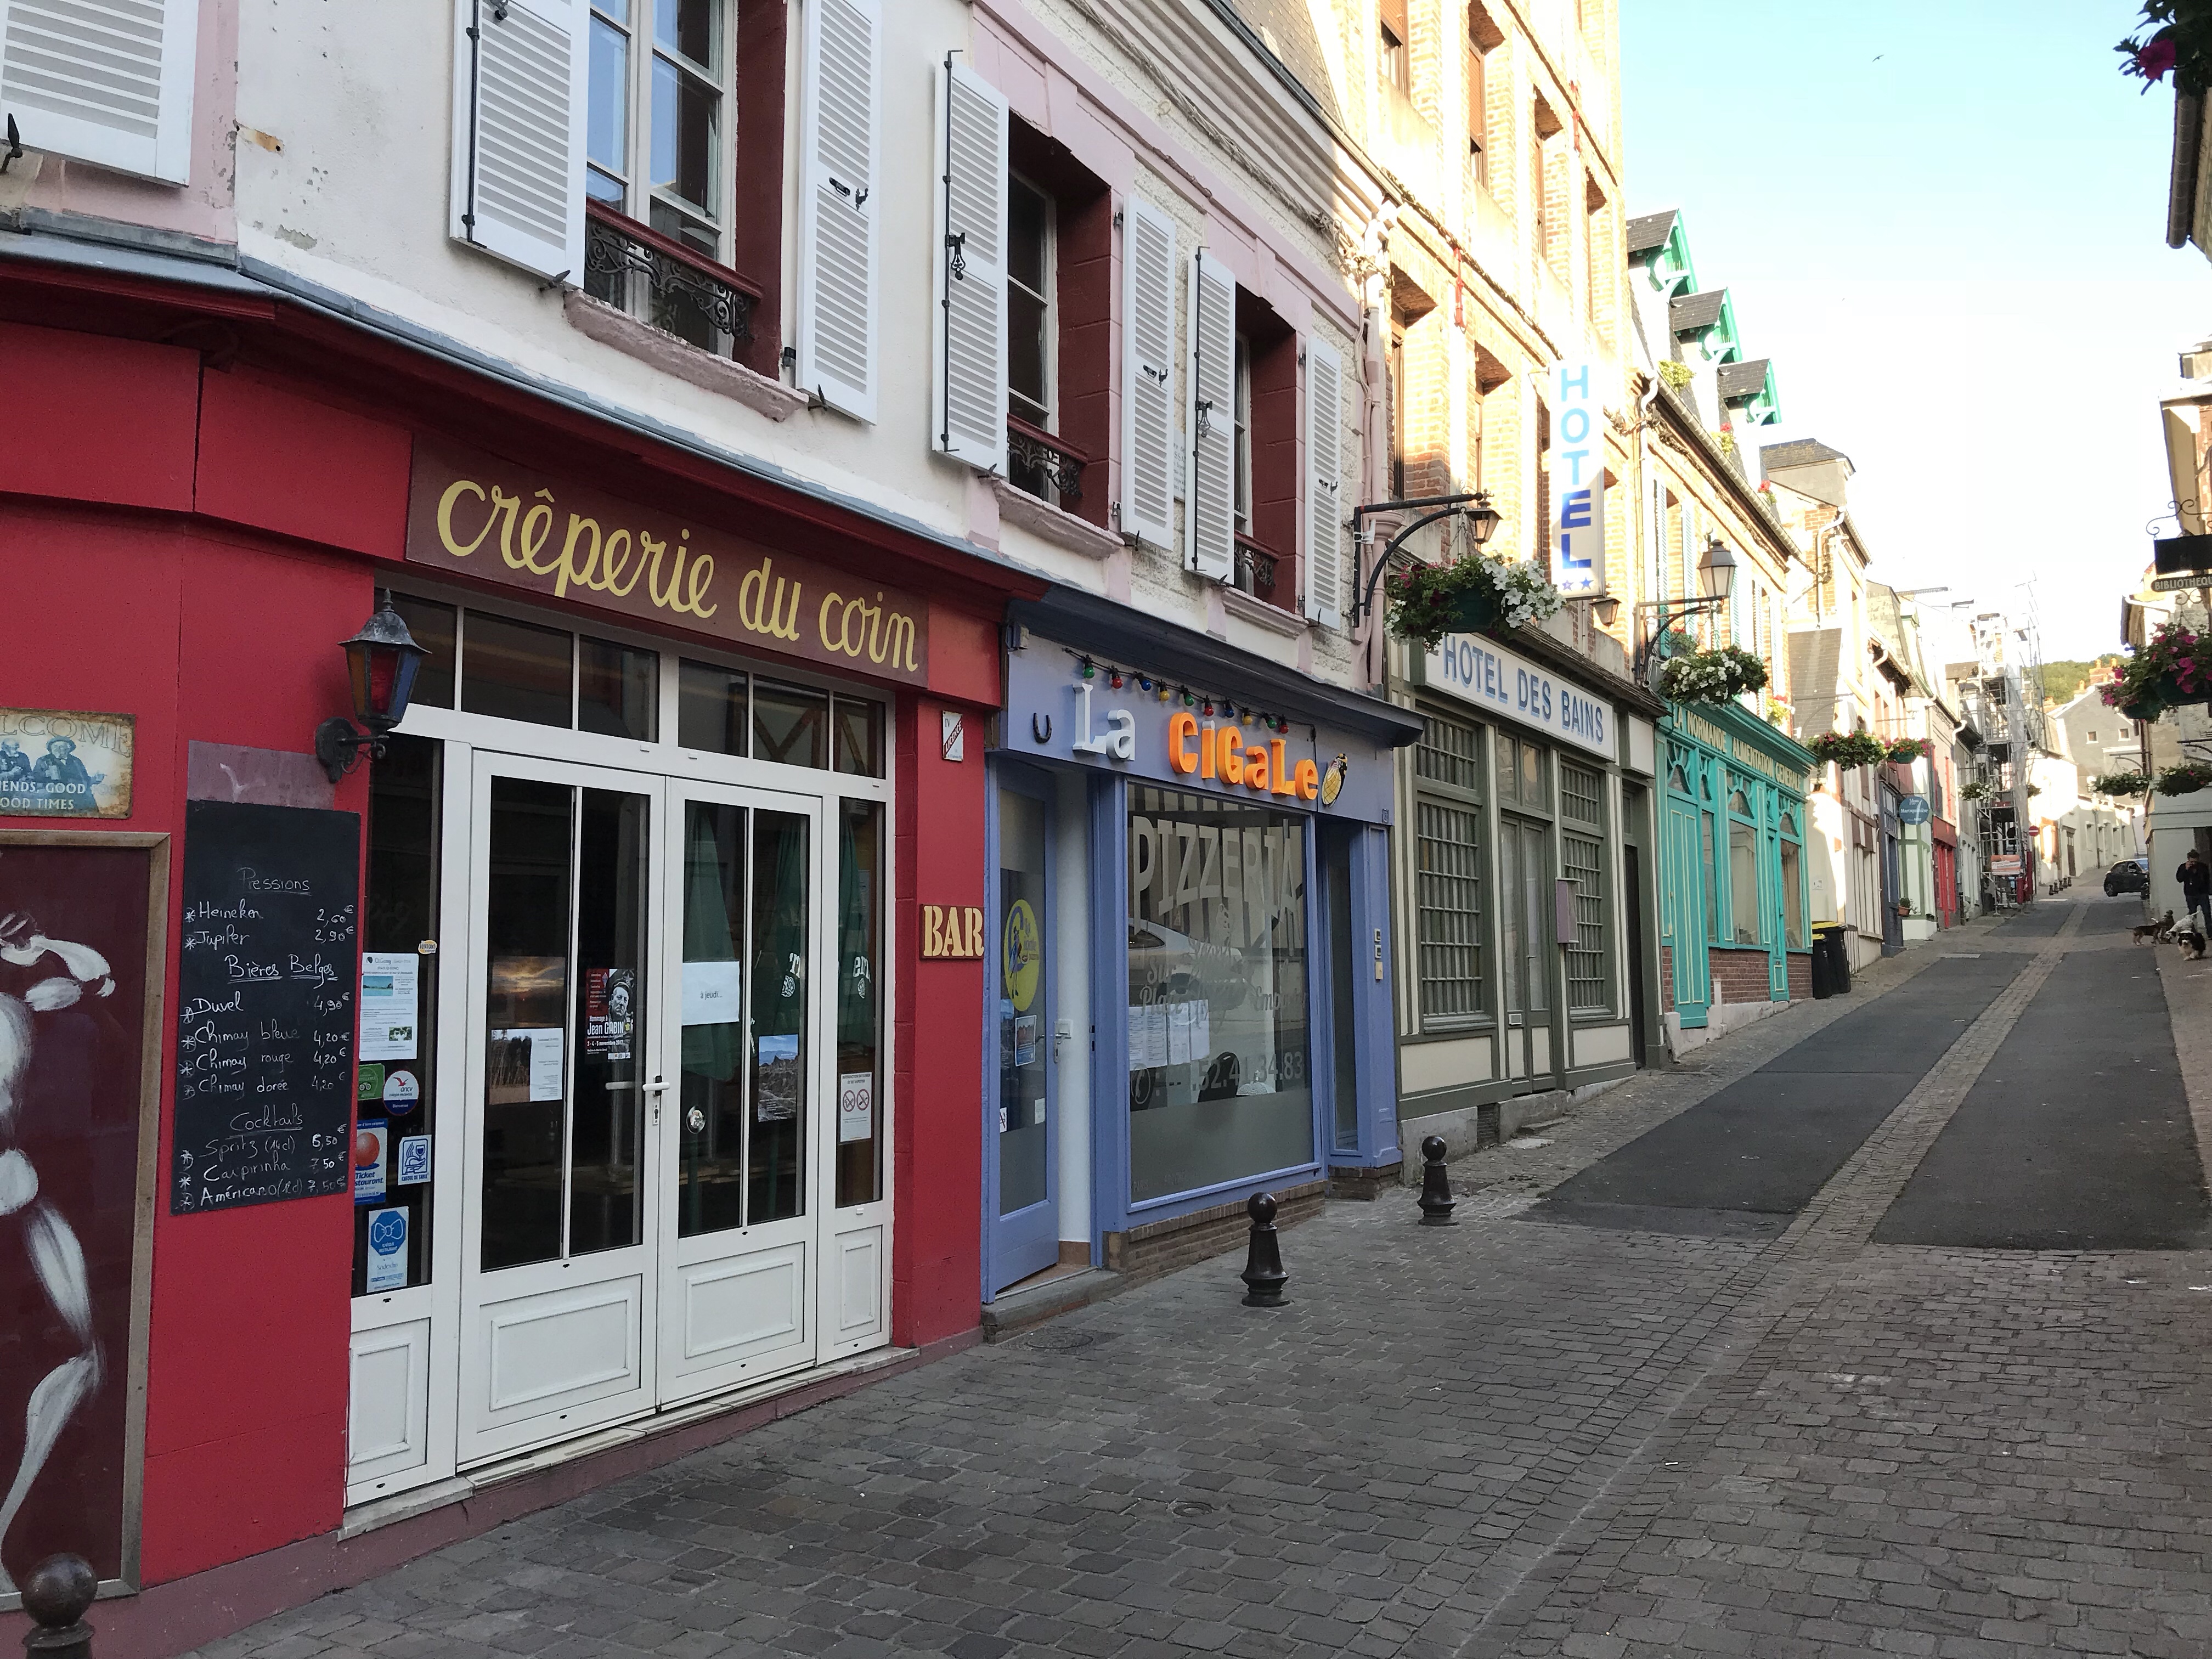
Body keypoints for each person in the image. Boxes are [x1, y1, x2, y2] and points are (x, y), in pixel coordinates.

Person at [0, 910, 115, 1593]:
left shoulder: (56, 1004)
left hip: (46, 1180)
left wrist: (43, 946)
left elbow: (99, 982)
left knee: (75, 1350)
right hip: (28, 1183)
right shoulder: (22, 1015)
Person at [2179, 849, 2212, 938]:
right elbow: (2179, 879)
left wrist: (2208, 891)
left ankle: (2210, 933)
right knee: (2192, 914)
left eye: (2195, 862)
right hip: (2190, 894)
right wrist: (2186, 869)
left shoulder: (2203, 867)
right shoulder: (2183, 867)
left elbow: (2207, 879)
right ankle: (2192, 932)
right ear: (2188, 860)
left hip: (2202, 893)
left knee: (2207, 913)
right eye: (2192, 862)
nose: (2193, 864)